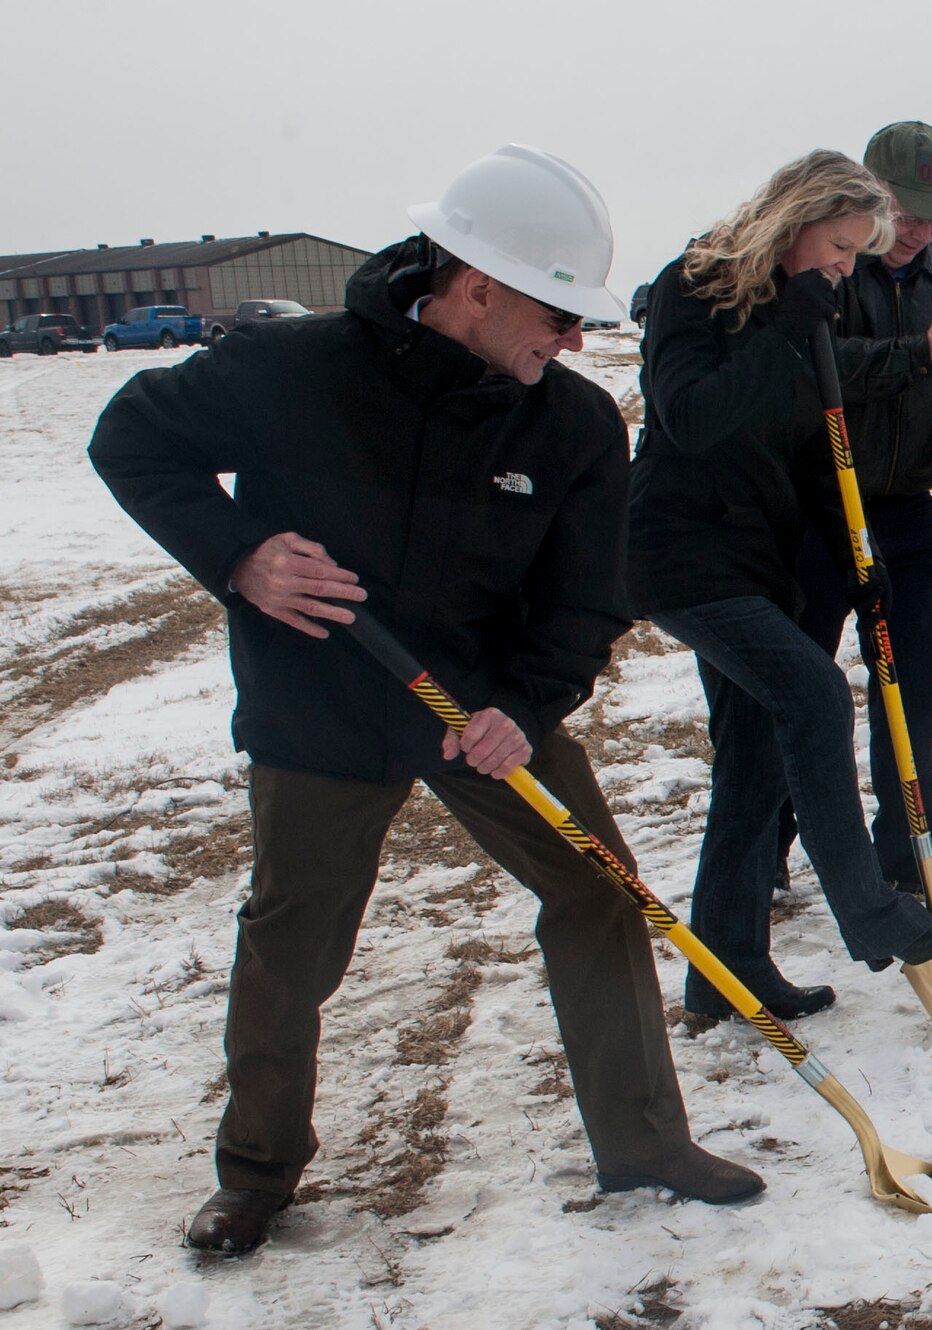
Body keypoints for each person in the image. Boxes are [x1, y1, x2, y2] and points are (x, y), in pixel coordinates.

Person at [88, 145, 763, 1255]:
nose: (573, 339)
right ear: (476, 285)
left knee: (597, 887)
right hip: (319, 702)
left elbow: (590, 595)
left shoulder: (574, 424)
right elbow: (132, 439)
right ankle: (257, 1171)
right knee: (291, 936)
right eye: (556, 310)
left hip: (482, 709)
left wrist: (527, 703)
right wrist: (240, 554)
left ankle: (642, 1138)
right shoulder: (289, 370)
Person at [628, 150, 932, 1020]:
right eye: (841, 246)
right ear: (797, 218)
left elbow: (817, 443)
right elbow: (690, 418)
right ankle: (865, 905)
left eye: (856, 255)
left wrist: (858, 558)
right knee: (815, 694)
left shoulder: (807, 307)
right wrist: (790, 329)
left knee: (754, 766)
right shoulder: (693, 287)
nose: (845, 268)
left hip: (764, 554)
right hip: (683, 548)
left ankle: (726, 974)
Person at [786, 120, 932, 895]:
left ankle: (911, 849)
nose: (919, 231)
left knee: (915, 683)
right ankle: (764, 852)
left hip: (902, 504)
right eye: (907, 210)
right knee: (800, 690)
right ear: (869, 193)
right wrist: (920, 353)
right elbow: (810, 370)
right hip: (815, 508)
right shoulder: (827, 264)